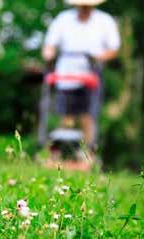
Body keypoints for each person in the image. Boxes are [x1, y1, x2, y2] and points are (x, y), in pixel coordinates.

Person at [42, 0, 120, 164]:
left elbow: (113, 49)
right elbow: (49, 44)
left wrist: (99, 57)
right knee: (65, 116)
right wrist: (48, 55)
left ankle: (86, 154)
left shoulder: (104, 21)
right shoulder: (63, 19)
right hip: (65, 73)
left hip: (91, 72)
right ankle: (60, 154)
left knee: (88, 116)